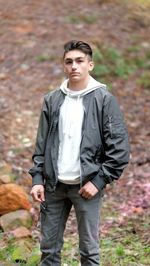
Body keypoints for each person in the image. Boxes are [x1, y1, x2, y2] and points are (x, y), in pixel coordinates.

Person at [29, 40, 130, 266]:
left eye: (79, 61)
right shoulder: (52, 99)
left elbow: (120, 148)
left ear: (90, 65)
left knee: (89, 252)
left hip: (87, 187)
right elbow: (41, 144)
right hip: (53, 187)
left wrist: (99, 180)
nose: (74, 66)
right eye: (69, 62)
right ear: (64, 66)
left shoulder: (104, 99)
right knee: (49, 251)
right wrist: (37, 179)